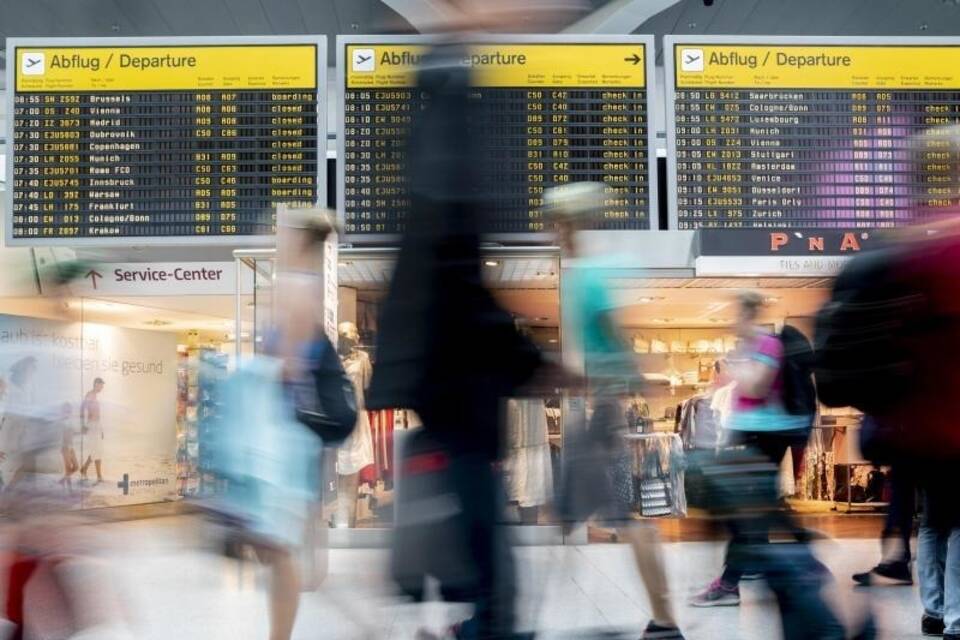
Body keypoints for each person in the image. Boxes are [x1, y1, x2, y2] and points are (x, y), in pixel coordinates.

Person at [366, 40, 544, 640]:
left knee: (478, 548)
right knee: (487, 556)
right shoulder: (446, 174)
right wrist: (530, 362)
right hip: (457, 399)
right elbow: (460, 291)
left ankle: (473, 622)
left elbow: (450, 288)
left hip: (444, 395)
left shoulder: (428, 166)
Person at [545, 182, 685, 640]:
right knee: (597, 515)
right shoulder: (592, 268)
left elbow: (612, 331)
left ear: (569, 223)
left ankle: (665, 619)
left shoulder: (589, 272)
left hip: (605, 409)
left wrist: (633, 379)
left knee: (614, 517)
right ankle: (663, 618)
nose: (552, 231)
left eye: (556, 221)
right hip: (604, 405)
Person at [690, 292, 817, 608]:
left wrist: (736, 367)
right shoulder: (750, 347)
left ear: (748, 315)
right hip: (750, 433)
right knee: (749, 510)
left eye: (737, 316)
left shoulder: (767, 345)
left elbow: (756, 388)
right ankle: (800, 553)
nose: (733, 323)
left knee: (747, 512)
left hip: (766, 436)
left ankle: (731, 582)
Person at [80, 378, 105, 484]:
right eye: (100, 385)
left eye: (102, 386)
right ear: (96, 384)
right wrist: (83, 425)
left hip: (96, 426)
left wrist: (101, 429)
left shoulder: (95, 396)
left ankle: (85, 469)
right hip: (91, 426)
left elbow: (97, 415)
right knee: (96, 450)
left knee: (97, 450)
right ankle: (98, 476)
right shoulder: (90, 395)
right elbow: (82, 409)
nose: (102, 388)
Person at [58, 402, 79, 491]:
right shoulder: (62, 421)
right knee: (68, 468)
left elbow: (73, 433)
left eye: (70, 409)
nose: (69, 410)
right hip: (65, 447)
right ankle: (69, 489)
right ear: (64, 410)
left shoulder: (70, 420)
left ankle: (63, 480)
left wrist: (81, 432)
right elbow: (62, 434)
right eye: (67, 409)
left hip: (71, 446)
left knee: (76, 467)